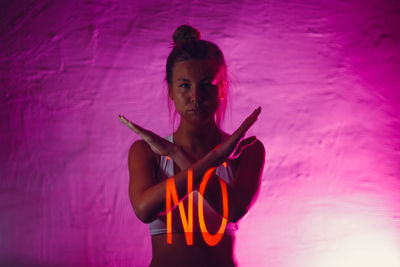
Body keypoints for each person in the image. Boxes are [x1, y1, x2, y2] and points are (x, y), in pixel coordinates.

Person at [118, 25, 265, 267]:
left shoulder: (247, 151)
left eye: (207, 84)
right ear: (171, 91)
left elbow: (234, 209)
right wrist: (208, 158)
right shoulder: (146, 152)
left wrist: (176, 153)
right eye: (185, 85)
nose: (195, 96)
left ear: (223, 88)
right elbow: (144, 210)